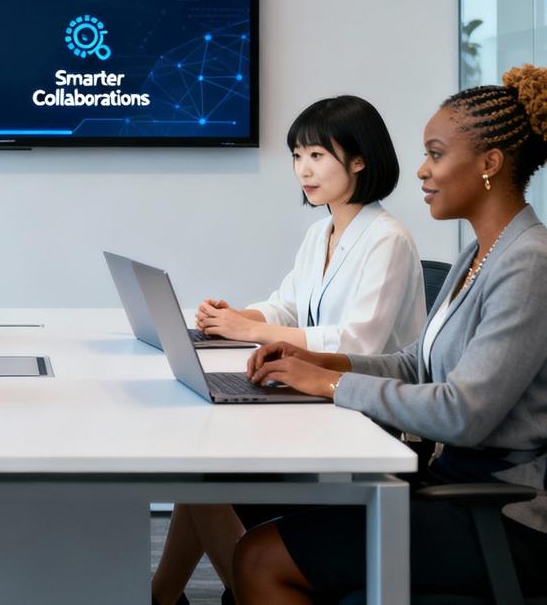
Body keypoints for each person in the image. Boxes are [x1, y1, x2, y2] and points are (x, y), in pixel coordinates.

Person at [234, 66, 547, 603]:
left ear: (490, 164)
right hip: (450, 488)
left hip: (505, 516)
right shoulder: (480, 252)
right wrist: (326, 366)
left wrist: (330, 386)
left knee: (261, 557)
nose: (422, 171)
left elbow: (461, 413)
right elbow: (415, 363)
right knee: (262, 516)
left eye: (436, 153)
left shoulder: (529, 263)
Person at [152, 94, 425, 605]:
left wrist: (249, 330)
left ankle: (249, 589)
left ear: (360, 159)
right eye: (297, 156)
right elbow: (286, 306)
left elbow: (355, 342)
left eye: (318, 155)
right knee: (200, 470)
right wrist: (234, 319)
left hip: (367, 419)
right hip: (319, 403)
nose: (304, 169)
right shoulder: (321, 231)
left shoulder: (387, 239)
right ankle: (164, 594)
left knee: (206, 477)